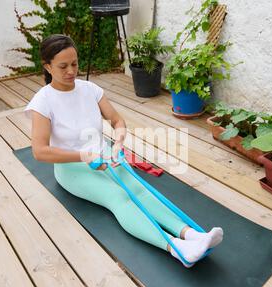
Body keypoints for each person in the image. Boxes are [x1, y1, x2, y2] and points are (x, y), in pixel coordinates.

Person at [25, 34, 224, 268]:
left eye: (75, 63)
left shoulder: (90, 89)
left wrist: (118, 142)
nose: (71, 71)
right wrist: (84, 156)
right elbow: (40, 151)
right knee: (117, 196)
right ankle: (175, 248)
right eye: (63, 66)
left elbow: (116, 120)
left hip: (106, 155)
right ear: (47, 66)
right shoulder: (43, 102)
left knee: (137, 188)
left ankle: (191, 235)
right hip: (72, 167)